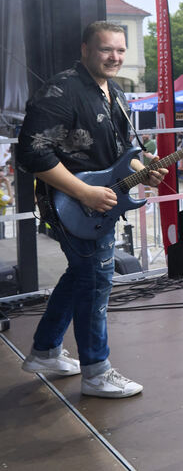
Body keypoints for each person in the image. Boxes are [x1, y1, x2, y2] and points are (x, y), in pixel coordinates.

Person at [16, 21, 167, 397]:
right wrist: (84, 192)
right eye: (106, 50)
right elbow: (32, 154)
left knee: (83, 274)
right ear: (85, 49)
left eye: (120, 50)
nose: (115, 57)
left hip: (99, 204)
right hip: (72, 205)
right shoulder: (60, 91)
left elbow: (120, 156)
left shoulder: (115, 92)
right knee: (96, 282)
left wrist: (143, 172)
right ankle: (96, 372)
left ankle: (46, 350)